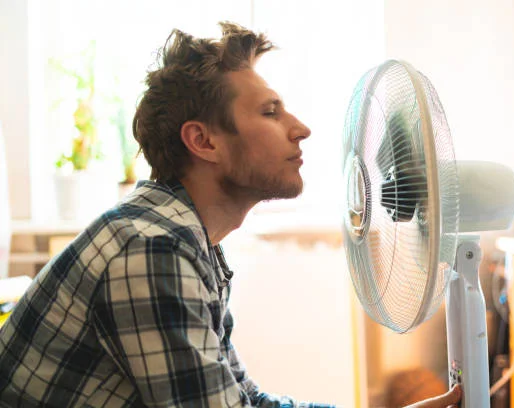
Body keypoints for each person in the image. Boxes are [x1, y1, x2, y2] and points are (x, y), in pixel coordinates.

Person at [0, 22, 461, 407]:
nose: (300, 129)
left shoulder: (189, 242)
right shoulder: (150, 250)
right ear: (203, 141)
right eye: (270, 112)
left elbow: (246, 401)